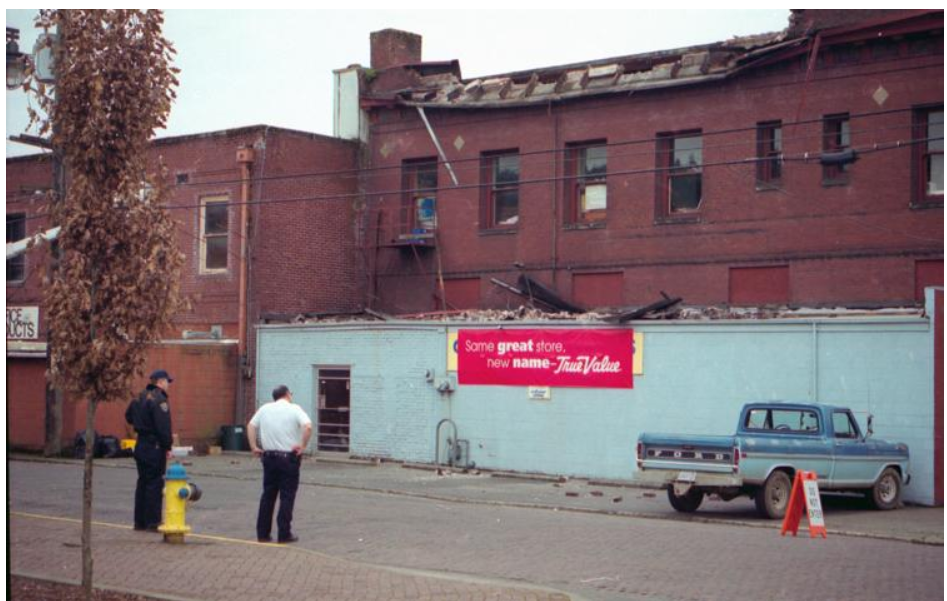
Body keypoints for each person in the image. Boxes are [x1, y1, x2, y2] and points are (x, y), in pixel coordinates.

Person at [247, 385, 313, 543]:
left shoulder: (264, 409)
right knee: (287, 496)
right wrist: (302, 446)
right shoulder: (294, 408)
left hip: (268, 457)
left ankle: (262, 534)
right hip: (288, 458)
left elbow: (251, 426)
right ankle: (284, 533)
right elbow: (308, 427)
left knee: (268, 495)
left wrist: (254, 446)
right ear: (287, 394)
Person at [125, 369, 174, 532]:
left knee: (143, 482)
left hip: (141, 444)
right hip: (154, 446)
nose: (168, 385)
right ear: (160, 382)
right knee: (154, 483)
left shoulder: (139, 397)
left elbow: (128, 417)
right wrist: (167, 446)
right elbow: (163, 427)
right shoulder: (159, 400)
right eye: (167, 382)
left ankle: (139, 522)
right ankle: (153, 522)